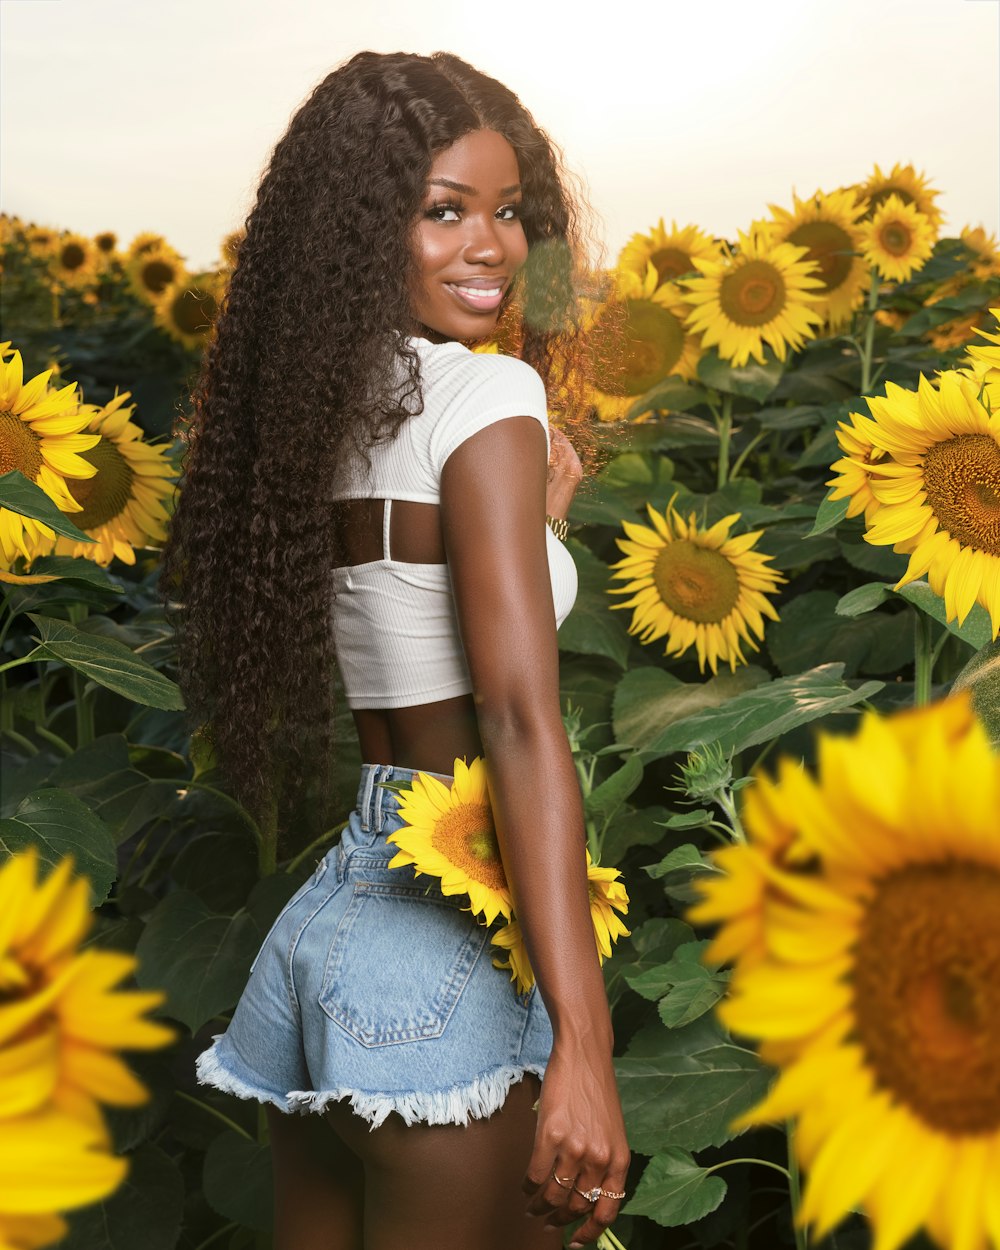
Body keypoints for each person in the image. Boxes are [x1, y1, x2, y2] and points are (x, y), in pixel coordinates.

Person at [161, 50, 630, 1250]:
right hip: (448, 943)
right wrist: (584, 1045)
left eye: (509, 209)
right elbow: (516, 719)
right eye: (442, 211)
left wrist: (538, 529)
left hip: (334, 921)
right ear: (368, 227)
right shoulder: (486, 404)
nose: (492, 245)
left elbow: (410, 587)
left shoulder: (319, 404)